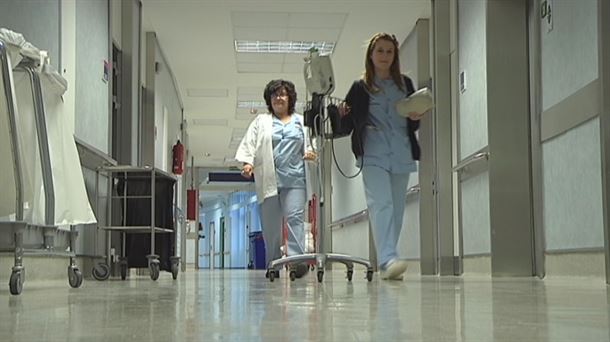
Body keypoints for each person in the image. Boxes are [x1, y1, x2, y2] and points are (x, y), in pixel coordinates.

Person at [339, 32, 424, 280]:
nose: (385, 56)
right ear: (371, 55)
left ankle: (389, 257)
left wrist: (416, 116)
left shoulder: (405, 84)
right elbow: (346, 126)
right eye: (380, 51)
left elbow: (411, 125)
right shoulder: (360, 87)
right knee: (382, 204)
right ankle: (388, 259)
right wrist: (343, 114)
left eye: (389, 51)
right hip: (373, 153)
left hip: (401, 152)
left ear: (395, 55)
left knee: (397, 207)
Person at [235, 79, 317, 279]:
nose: (278, 98)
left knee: (295, 219)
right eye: (274, 95)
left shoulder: (301, 122)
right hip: (270, 180)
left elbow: (311, 144)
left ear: (290, 98)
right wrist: (247, 163)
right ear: (269, 100)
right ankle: (274, 263)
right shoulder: (261, 121)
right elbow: (250, 144)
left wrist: (311, 152)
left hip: (296, 180)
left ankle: (296, 262)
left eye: (282, 94)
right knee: (271, 226)